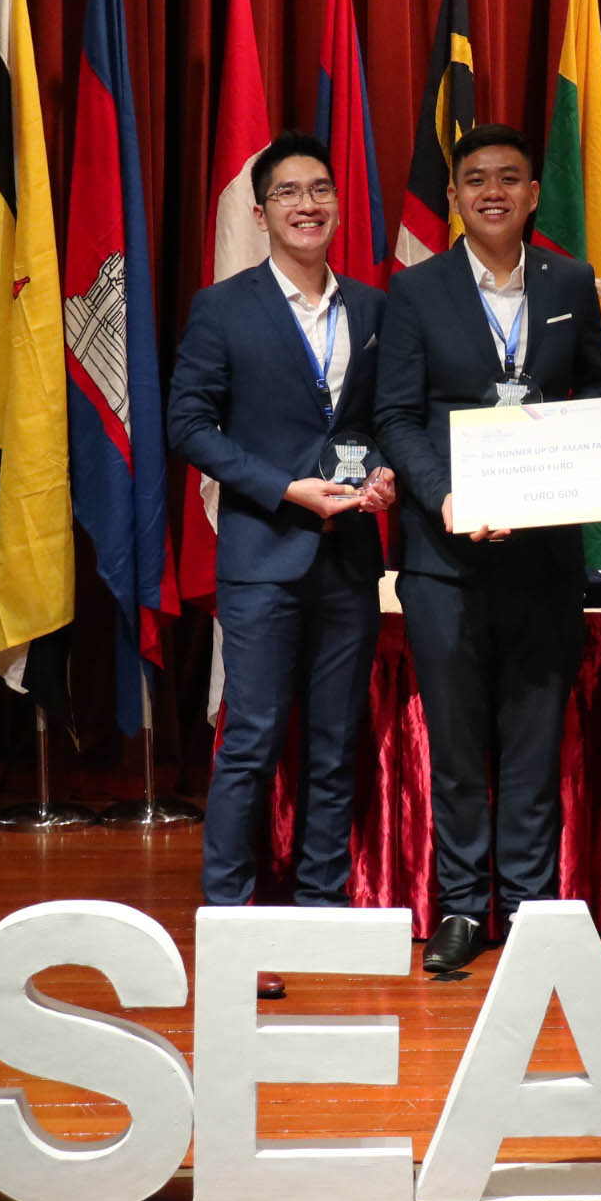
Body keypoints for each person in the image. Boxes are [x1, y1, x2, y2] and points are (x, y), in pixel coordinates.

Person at [374, 123, 601, 974]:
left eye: (510, 177)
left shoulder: (571, 281)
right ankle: (458, 911)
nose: (493, 192)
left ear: (533, 193)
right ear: (454, 196)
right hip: (447, 561)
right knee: (456, 744)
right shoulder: (416, 291)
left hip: (544, 558)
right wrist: (446, 500)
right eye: (475, 178)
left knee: (532, 742)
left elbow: (593, 386)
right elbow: (395, 417)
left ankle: (525, 910)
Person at [168, 132, 397, 995]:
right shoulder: (223, 309)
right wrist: (285, 488)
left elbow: (382, 420)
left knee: (335, 744)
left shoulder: (375, 310)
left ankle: (321, 914)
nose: (309, 205)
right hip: (264, 554)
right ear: (261, 213)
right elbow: (189, 426)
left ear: (338, 205)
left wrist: (380, 472)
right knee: (253, 742)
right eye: (290, 193)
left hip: (350, 558)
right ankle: (230, 928)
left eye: (322, 190)